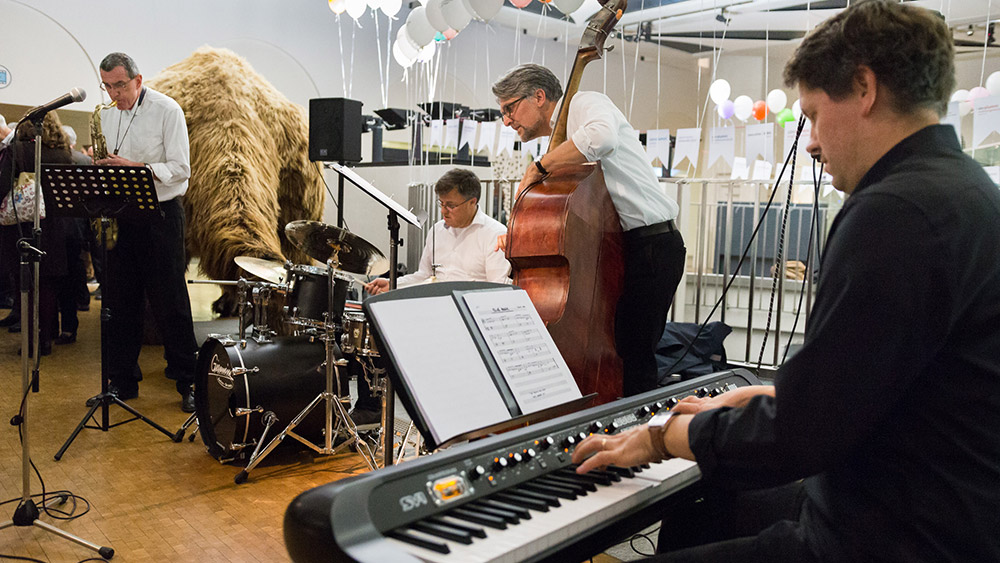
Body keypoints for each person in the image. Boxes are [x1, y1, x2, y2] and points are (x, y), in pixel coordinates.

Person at [572, 2, 1000, 562]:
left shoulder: (895, 210)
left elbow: (803, 433)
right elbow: (887, 379)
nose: (811, 143)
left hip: (889, 538)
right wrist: (771, 395)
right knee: (709, 510)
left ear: (864, 88)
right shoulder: (967, 191)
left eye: (815, 115)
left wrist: (658, 438)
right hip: (945, 511)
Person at [492, 64, 685, 397]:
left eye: (510, 108)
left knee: (634, 353)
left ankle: (638, 437)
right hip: (625, 249)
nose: (507, 121)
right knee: (621, 352)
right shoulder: (564, 144)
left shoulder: (583, 103)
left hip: (654, 244)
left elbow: (603, 137)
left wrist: (539, 166)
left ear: (539, 96)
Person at [352, 168, 510, 425]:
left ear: (473, 202)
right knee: (376, 324)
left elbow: (497, 290)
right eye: (441, 204)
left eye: (451, 205)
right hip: (436, 316)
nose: (444, 211)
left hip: (469, 324)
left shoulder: (494, 233)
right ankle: (371, 408)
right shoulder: (437, 230)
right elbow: (424, 275)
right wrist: (392, 284)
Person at [92, 52, 198, 412]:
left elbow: (181, 169)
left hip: (161, 215)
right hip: (121, 215)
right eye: (107, 86)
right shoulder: (106, 115)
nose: (113, 94)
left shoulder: (168, 110)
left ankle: (189, 381)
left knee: (170, 303)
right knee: (120, 302)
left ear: (138, 80)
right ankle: (122, 381)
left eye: (119, 85)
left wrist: (137, 168)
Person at [0, 113, 73, 355]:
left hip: (21, 228)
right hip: (54, 227)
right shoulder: (64, 154)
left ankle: (31, 341)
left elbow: (2, 186)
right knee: (48, 283)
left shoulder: (17, 150)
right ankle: (46, 337)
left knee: (26, 286)